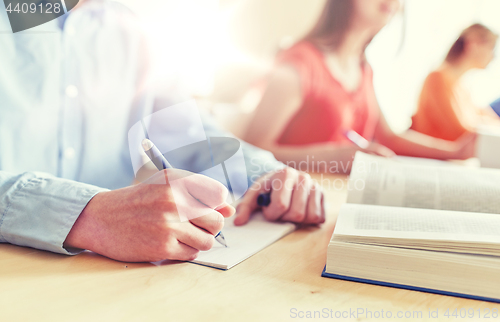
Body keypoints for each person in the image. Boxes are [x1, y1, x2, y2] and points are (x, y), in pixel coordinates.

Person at [0, 0, 325, 263]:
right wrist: (87, 215)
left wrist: (265, 174)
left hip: (100, 273)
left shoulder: (130, 29)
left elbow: (188, 136)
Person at [244, 0, 474, 172]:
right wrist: (332, 158)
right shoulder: (298, 65)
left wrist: (454, 152)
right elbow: (251, 151)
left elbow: (389, 138)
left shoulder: (364, 68)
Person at [411, 24, 500, 141]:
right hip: (430, 158)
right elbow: (459, 134)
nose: (493, 56)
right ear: (473, 44)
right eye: (491, 48)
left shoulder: (463, 88)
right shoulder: (437, 78)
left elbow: (493, 122)